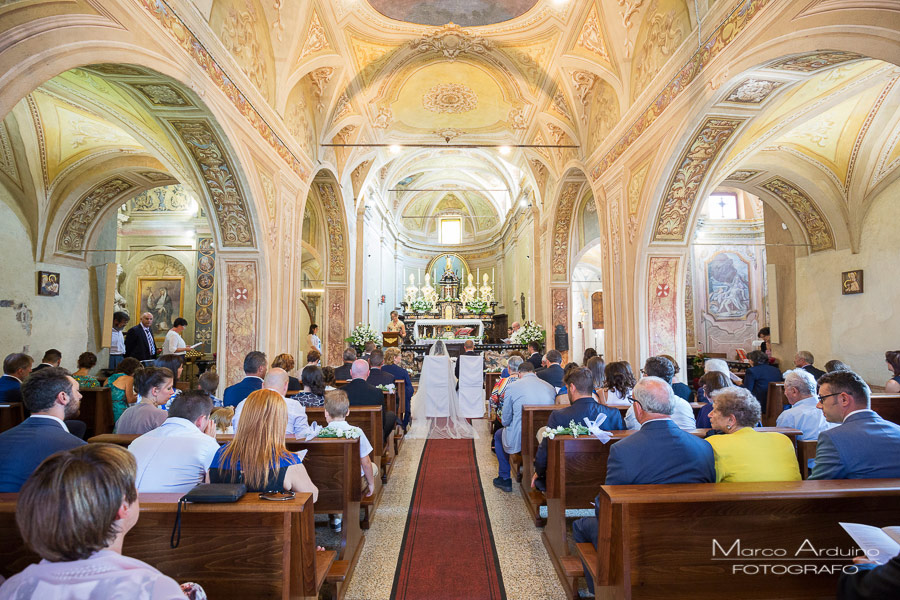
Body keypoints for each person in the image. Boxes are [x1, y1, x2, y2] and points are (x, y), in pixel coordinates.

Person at [571, 376, 716, 594]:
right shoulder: (703, 447)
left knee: (580, 526)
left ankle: (600, 590)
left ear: (637, 408)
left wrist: (597, 505)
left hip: (641, 537)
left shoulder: (624, 449)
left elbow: (610, 505)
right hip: (693, 533)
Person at [0, 444, 191, 597]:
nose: (138, 492)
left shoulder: (12, 588)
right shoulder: (153, 588)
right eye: (134, 487)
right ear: (122, 508)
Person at [209, 389, 319, 497]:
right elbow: (313, 496)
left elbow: (208, 486)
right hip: (273, 515)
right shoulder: (287, 461)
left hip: (229, 515)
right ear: (278, 422)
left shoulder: (220, 454)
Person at [533, 367, 625, 491]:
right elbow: (623, 446)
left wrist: (538, 472)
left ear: (572, 387)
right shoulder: (613, 414)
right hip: (608, 478)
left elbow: (546, 449)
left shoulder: (558, 416)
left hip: (567, 482)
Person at [0, 367, 86, 492]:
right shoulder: (78, 449)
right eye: (77, 391)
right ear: (63, 396)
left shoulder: (2, 438)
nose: (80, 396)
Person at [810, 370, 900, 480]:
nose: (818, 405)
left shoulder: (833, 438)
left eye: (822, 399)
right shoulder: (897, 430)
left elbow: (817, 487)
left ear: (844, 399)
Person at [128, 390, 218, 493]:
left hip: (128, 505)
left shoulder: (138, 441)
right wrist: (210, 440)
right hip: (172, 507)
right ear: (201, 420)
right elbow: (214, 486)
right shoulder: (207, 444)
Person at [705, 387, 801, 482]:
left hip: (739, 496)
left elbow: (706, 482)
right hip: (792, 496)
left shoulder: (713, 443)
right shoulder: (782, 439)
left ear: (731, 419)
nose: (709, 414)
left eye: (715, 410)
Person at [492, 361, 555, 492]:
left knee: (498, 435)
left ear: (519, 374)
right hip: (544, 436)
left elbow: (505, 419)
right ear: (535, 373)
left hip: (522, 435)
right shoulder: (549, 386)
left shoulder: (512, 386)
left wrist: (507, 424)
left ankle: (504, 478)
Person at [776, 368, 834, 470]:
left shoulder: (789, 416)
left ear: (794, 391)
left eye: (785, 389)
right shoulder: (834, 411)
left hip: (806, 471)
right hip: (835, 468)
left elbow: (781, 451)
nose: (784, 393)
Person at [322, 390, 375, 498]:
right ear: (348, 412)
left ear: (326, 412)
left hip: (326, 481)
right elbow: (366, 463)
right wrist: (371, 483)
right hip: (352, 481)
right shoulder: (356, 432)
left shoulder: (319, 434)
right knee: (373, 467)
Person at [233, 368, 311, 439]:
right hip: (283, 452)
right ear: (286, 386)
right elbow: (303, 436)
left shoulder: (243, 404)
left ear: (262, 385)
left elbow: (236, 432)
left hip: (246, 452)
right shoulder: (294, 406)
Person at [624, 357, 696, 430]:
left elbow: (632, 435)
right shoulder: (685, 405)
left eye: (643, 372)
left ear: (646, 377)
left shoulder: (636, 409)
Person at [343, 359, 398, 443]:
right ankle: (380, 441)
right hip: (372, 433)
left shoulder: (340, 392)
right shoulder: (376, 392)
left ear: (351, 372)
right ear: (368, 373)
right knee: (391, 415)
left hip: (345, 432)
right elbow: (382, 419)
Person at [114, 367, 173, 435]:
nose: (172, 392)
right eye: (169, 388)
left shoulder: (126, 413)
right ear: (155, 391)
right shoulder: (161, 415)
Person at [383, 347, 413, 428]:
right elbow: (410, 389)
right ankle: (402, 424)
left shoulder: (381, 370)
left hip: (384, 401)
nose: (401, 357)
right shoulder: (402, 372)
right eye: (399, 355)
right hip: (399, 402)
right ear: (394, 358)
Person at [108, 357, 140, 422]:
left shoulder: (108, 378)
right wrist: (141, 396)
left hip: (107, 410)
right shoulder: (128, 379)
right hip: (120, 410)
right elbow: (130, 400)